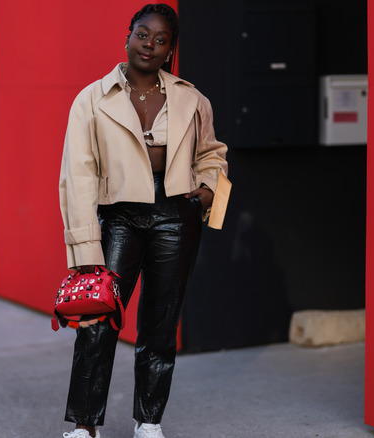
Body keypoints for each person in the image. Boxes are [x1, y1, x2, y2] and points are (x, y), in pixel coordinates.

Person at [58, 4, 228, 438]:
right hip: (117, 217)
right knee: (97, 322)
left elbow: (212, 154)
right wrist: (84, 246)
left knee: (160, 325)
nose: (149, 45)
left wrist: (209, 191)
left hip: (175, 215)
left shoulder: (192, 99)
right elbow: (76, 175)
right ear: (127, 36)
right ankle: (84, 427)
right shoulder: (92, 99)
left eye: (161, 39)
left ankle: (148, 422)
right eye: (142, 34)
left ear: (171, 50)